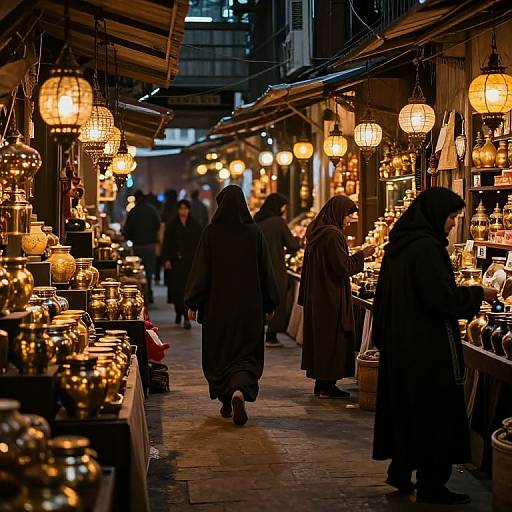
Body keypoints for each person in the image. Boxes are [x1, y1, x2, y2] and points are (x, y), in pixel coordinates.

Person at [372, 187, 497, 505]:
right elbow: (443, 299)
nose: (454, 223)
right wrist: (478, 294)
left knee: (406, 409)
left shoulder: (398, 247)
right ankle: (432, 483)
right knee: (433, 412)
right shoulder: (427, 250)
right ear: (436, 215)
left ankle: (400, 469)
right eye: (452, 217)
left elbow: (382, 299)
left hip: (400, 344)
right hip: (427, 347)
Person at [185, 185, 279, 426]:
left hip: (219, 309)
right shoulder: (254, 233)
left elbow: (201, 272)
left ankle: (227, 399)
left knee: (221, 352)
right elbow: (266, 271)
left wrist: (193, 302)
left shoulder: (211, 233)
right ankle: (240, 391)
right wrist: (270, 302)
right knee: (246, 354)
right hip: (250, 307)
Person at [299, 195, 376, 398]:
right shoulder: (333, 235)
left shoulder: (316, 232)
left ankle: (322, 383)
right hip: (330, 296)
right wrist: (363, 255)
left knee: (322, 339)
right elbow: (343, 267)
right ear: (338, 213)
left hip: (318, 294)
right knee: (332, 338)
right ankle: (327, 385)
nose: (349, 220)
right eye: (348, 216)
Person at [254, 193, 300, 347]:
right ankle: (271, 336)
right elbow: (292, 245)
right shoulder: (278, 222)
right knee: (275, 298)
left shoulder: (257, 221)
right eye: (284, 206)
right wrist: (299, 239)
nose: (284, 210)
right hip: (275, 267)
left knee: (259, 300)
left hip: (257, 267)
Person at [162, 200, 202, 329]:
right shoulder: (172, 225)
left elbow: (199, 244)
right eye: (181, 208)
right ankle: (179, 312)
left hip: (190, 263)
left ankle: (186, 316)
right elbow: (167, 243)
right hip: (176, 262)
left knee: (187, 289)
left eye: (185, 208)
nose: (183, 211)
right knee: (177, 289)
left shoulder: (195, 225)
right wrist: (166, 259)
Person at [122, 190, 161, 303]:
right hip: (150, 245)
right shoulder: (152, 210)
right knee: (148, 271)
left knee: (138, 273)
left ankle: (141, 296)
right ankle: (149, 293)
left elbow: (127, 229)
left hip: (138, 245)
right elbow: (158, 225)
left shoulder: (133, 211)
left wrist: (128, 238)